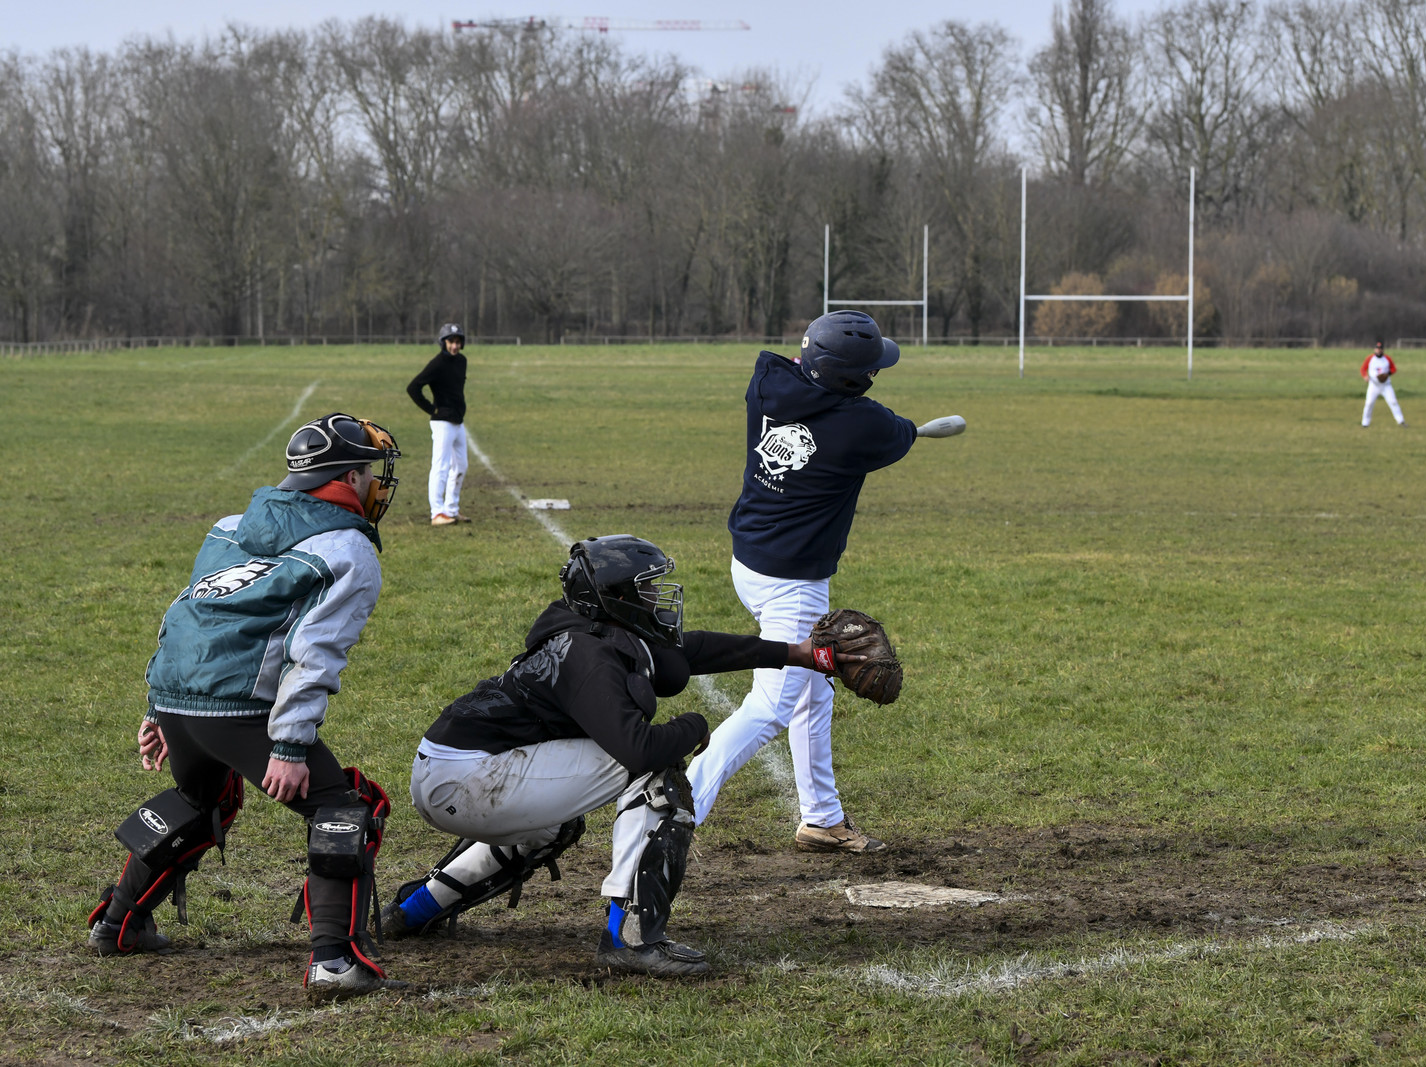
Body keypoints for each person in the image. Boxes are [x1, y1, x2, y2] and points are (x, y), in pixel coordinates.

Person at [380, 535, 847, 978]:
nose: (658, 598)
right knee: (654, 774)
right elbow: (638, 748)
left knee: (554, 823)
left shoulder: (595, 630)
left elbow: (696, 648)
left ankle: (414, 910)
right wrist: (694, 726)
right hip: (467, 780)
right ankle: (630, 938)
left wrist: (801, 653)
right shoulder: (587, 654)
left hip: (453, 769)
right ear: (615, 596)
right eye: (646, 589)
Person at [87, 413, 406, 1004]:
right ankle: (334, 961)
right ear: (350, 477)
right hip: (240, 710)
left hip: (185, 701)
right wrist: (287, 746)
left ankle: (117, 922)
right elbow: (315, 655)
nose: (376, 485)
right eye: (370, 473)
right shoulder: (347, 548)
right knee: (344, 806)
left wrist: (160, 708)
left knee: (201, 799)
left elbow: (188, 614)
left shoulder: (230, 524)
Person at [687, 310, 921, 855]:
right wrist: (908, 426)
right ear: (852, 380)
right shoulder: (862, 427)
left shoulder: (768, 381)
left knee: (813, 692)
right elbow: (900, 432)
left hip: (749, 562)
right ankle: (676, 810)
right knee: (769, 709)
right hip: (793, 583)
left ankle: (821, 816)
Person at [407, 323, 470, 525]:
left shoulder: (462, 361)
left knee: (461, 465)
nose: (454, 346)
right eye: (451, 341)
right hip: (442, 422)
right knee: (440, 467)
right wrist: (432, 409)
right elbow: (413, 387)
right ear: (443, 342)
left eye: (458, 342)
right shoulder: (438, 363)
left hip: (458, 422)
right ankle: (437, 513)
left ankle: (451, 509)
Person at [1361, 340, 1407, 428]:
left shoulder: (1387, 359)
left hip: (1386, 385)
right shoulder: (1370, 358)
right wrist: (1365, 376)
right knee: (1369, 403)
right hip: (1373, 385)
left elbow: (1394, 369)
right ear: (1374, 349)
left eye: (1380, 348)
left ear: (1383, 349)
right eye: (1377, 348)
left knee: (1393, 402)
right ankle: (1365, 423)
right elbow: (1363, 369)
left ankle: (1401, 421)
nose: (1378, 350)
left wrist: (1387, 374)